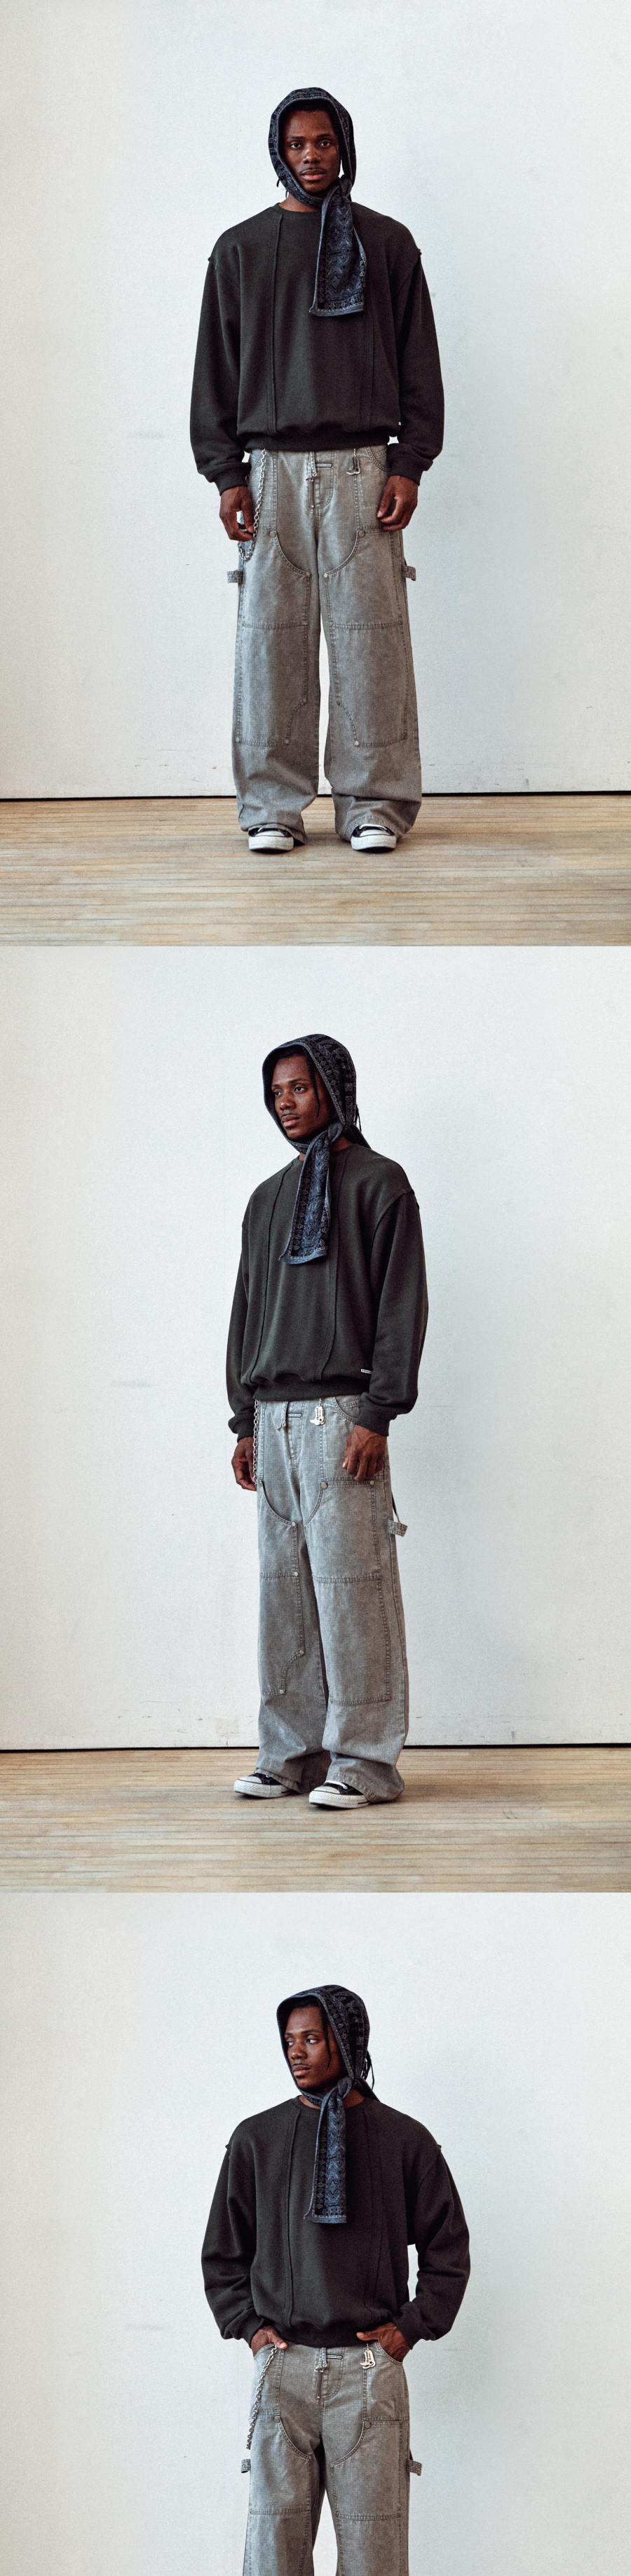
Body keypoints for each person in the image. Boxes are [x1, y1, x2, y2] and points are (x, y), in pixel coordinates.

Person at [190, 86, 444, 855]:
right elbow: (215, 370)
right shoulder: (240, 250)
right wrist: (226, 474)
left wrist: (410, 461)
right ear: (280, 150)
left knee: (373, 643)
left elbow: (419, 362)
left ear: (344, 147)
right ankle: (272, 806)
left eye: (324, 142)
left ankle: (374, 805)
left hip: (366, 469)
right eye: (298, 144)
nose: (312, 156)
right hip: (271, 473)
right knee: (270, 643)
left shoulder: (386, 244)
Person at [202, 1983, 470, 2576]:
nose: (296, 2052)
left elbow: (448, 2248)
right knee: (273, 2560)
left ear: (345, 2041)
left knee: (375, 2561)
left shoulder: (404, 2139)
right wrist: (248, 2327)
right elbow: (222, 2251)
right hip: (284, 2369)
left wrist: (410, 2327)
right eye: (289, 2041)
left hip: (369, 2373)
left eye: (311, 2039)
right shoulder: (256, 2138)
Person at [227, 1033, 428, 1808]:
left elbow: (401, 1304)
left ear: (334, 1089)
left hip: (343, 1414)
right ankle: (290, 1754)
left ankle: (366, 1763)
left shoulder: (381, 1183)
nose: (286, 1102)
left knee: (353, 1590)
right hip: (272, 1420)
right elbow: (247, 1313)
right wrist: (244, 1419)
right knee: (284, 1595)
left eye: (300, 1087)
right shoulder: (267, 1197)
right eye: (276, 1090)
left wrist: (380, 1411)